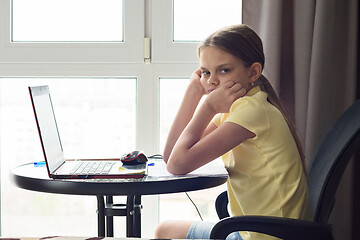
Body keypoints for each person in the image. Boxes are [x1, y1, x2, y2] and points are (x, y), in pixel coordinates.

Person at [155, 24, 313, 240]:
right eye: (206, 72)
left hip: (268, 235)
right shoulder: (234, 110)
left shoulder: (251, 111)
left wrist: (207, 107)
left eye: (224, 70)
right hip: (252, 230)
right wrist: (193, 92)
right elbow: (171, 155)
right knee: (165, 230)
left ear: (253, 72)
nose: (212, 81)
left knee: (164, 232)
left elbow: (177, 165)